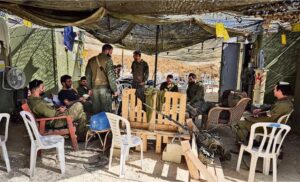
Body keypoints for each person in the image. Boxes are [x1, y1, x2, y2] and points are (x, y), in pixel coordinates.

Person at [85, 44, 117, 113]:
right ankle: (105, 123)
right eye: (111, 52)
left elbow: (87, 75)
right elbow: (111, 76)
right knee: (106, 111)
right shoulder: (108, 60)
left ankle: (97, 123)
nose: (111, 54)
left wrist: (90, 88)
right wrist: (114, 90)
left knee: (96, 110)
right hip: (105, 90)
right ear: (107, 50)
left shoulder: (91, 60)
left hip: (94, 90)